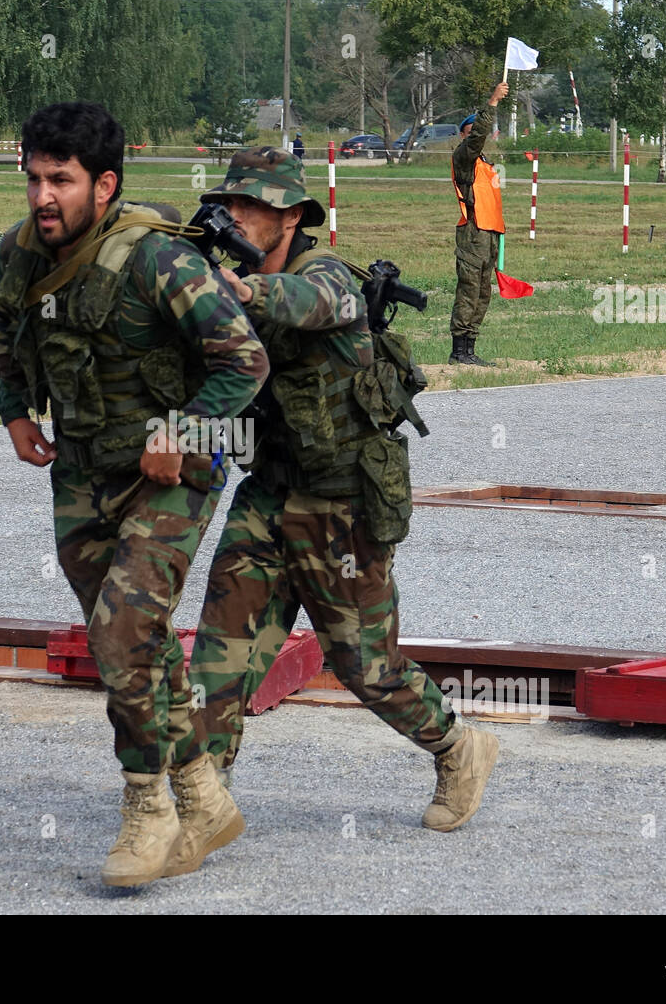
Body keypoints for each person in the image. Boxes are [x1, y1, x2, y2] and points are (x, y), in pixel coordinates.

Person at [180, 147, 500, 863]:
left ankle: (458, 747)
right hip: (269, 494)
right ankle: (201, 799)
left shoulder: (321, 274)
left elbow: (317, 305)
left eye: (250, 207)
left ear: (291, 217)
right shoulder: (225, 282)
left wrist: (241, 292)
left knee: (367, 666)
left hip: (343, 503)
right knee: (218, 657)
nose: (234, 217)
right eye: (228, 206)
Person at [0, 101, 268, 888]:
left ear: (104, 184)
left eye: (62, 181)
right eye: (35, 178)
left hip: (173, 476)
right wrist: (14, 409)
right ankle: (205, 795)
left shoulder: (159, 262)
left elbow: (243, 362)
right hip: (81, 470)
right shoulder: (19, 253)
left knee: (120, 631)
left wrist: (185, 431)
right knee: (131, 642)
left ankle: (147, 808)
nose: (44, 197)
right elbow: (5, 330)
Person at [449, 81, 510, 367]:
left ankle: (470, 348)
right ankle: (458, 351)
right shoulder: (464, 156)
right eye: (471, 132)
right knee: (469, 291)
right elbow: (478, 136)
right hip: (472, 233)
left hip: (489, 235)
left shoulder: (486, 164)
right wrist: (493, 101)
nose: (477, 136)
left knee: (483, 293)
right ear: (463, 135)